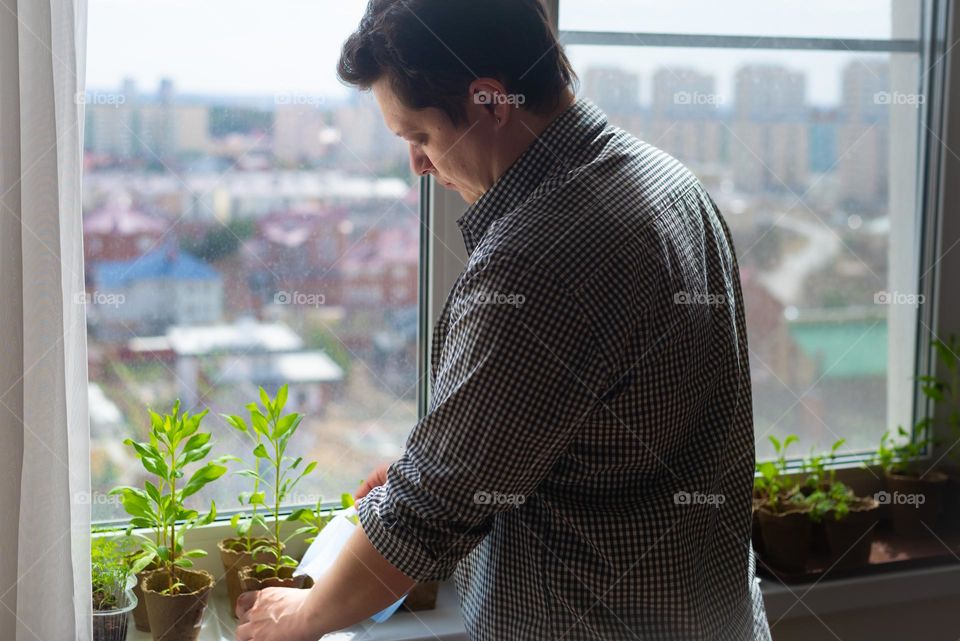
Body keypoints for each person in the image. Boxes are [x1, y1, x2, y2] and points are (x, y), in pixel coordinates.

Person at [236, 1, 771, 639]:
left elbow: (427, 513)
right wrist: (456, 452)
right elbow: (599, 425)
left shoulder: (540, 256)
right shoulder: (667, 182)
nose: (419, 167)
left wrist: (296, 617)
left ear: (491, 102)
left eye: (420, 137)